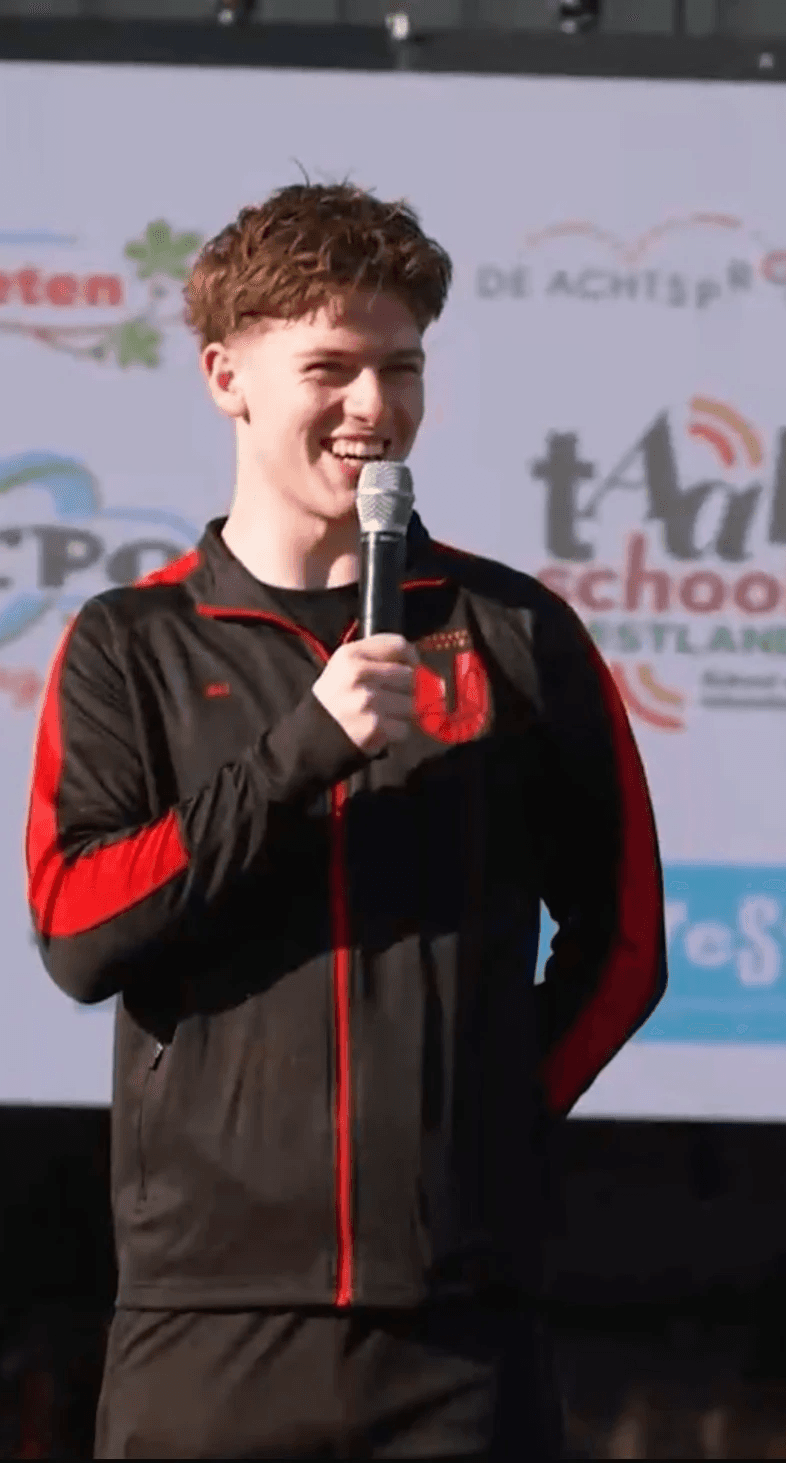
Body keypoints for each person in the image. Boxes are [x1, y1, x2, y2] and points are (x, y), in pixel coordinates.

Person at [25, 182, 667, 1460]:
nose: (374, 406)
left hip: (459, 1333)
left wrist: (476, 1121)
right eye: (330, 366)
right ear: (228, 376)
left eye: (401, 366)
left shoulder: (518, 633)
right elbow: (80, 928)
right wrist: (300, 750)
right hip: (205, 1326)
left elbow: (627, 941)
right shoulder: (131, 644)